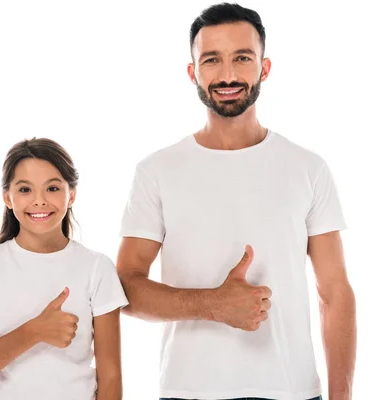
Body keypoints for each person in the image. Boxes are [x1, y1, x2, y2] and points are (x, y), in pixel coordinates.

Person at [116, 3, 356, 400]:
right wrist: (212, 305)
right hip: (188, 391)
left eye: (242, 58)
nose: (227, 75)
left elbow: (335, 292)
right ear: (193, 72)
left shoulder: (308, 168)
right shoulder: (157, 170)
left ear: (264, 68)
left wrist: (342, 396)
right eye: (212, 60)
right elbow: (125, 287)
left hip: (292, 391)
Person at [0, 137, 129, 400]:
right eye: (25, 190)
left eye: (53, 188)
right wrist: (35, 331)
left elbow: (111, 377)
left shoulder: (96, 268)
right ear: (7, 198)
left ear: (72, 195)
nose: (40, 201)